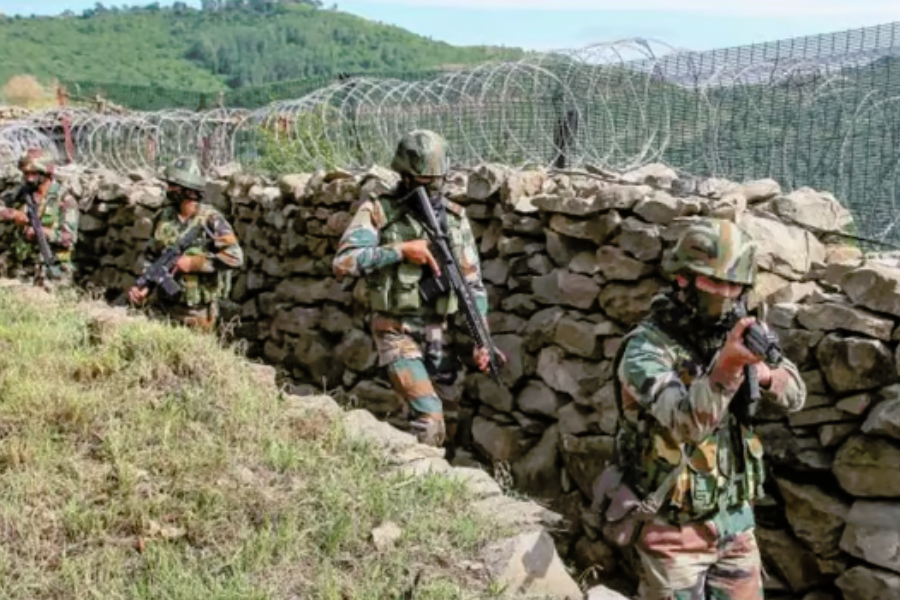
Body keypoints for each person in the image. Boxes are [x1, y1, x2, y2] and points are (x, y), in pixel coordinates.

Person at [609, 218, 806, 600]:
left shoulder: (741, 331)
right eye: (716, 283)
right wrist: (729, 367)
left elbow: (797, 394)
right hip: (672, 530)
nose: (727, 294)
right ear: (684, 279)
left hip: (735, 522)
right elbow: (685, 424)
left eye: (735, 285)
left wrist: (764, 375)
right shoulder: (646, 349)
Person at [332, 129, 500, 448]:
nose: (428, 189)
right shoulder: (379, 210)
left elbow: (472, 286)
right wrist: (400, 250)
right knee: (429, 418)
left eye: (434, 181)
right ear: (403, 176)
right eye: (419, 181)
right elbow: (343, 262)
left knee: (447, 419)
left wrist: (483, 340)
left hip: (440, 333)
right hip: (396, 331)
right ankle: (415, 485)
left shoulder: (454, 218)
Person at [127, 156, 243, 333]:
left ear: (188, 190)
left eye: (173, 186)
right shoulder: (163, 217)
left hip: (197, 313)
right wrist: (144, 287)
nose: (169, 189)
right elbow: (152, 257)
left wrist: (193, 263)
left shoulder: (211, 220)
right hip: (162, 308)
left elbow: (235, 257)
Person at [0, 147, 79, 287]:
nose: (29, 178)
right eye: (26, 173)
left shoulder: (65, 200)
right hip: (20, 263)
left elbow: (68, 238)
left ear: (46, 173)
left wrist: (41, 232)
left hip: (51, 267)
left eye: (34, 173)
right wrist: (11, 214)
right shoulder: (20, 192)